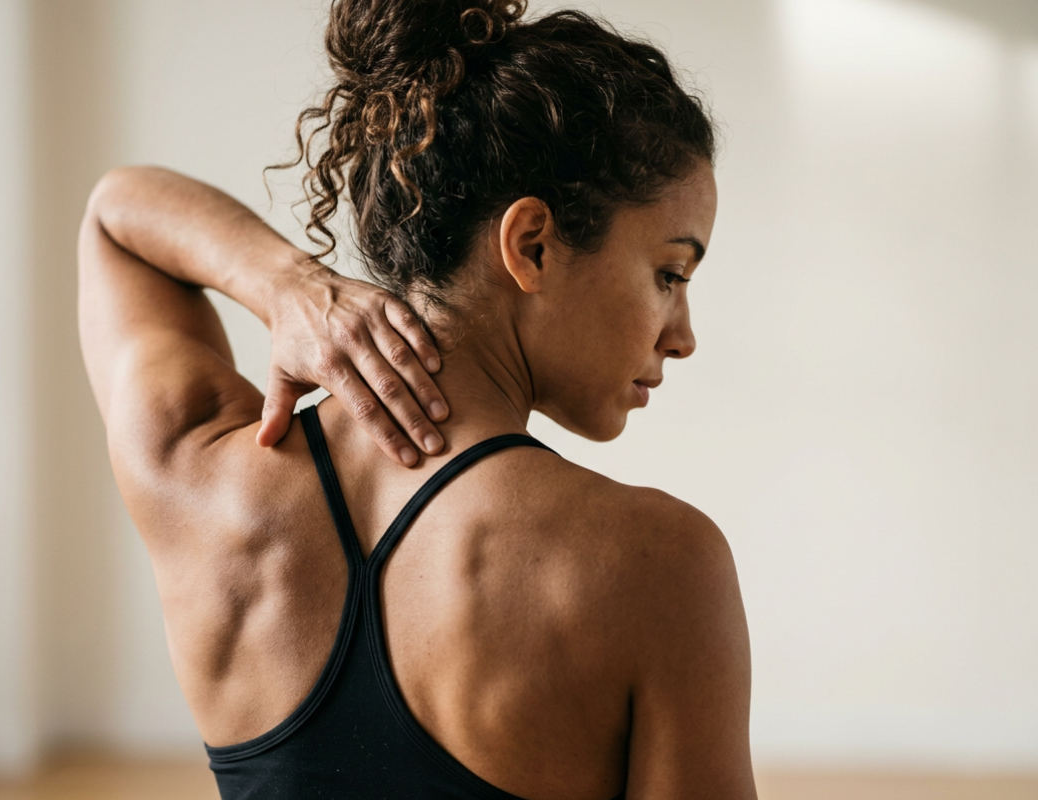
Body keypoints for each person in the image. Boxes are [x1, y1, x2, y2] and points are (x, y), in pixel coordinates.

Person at [77, 0, 754, 797]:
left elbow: (117, 214)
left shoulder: (199, 478)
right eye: (669, 274)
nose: (683, 335)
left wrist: (286, 288)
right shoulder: (660, 567)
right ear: (531, 244)